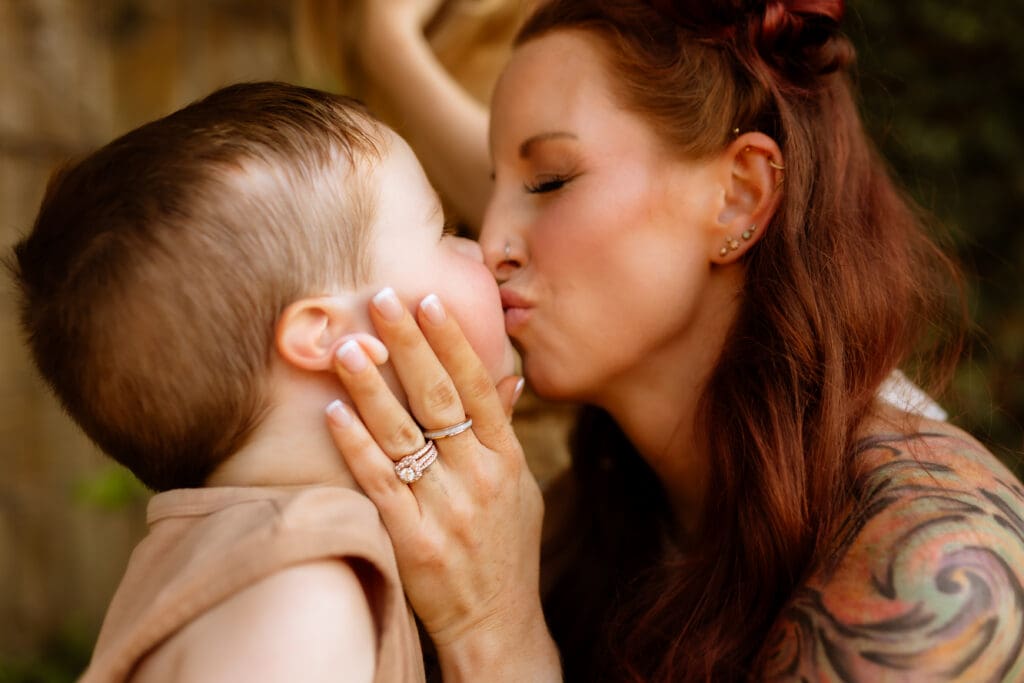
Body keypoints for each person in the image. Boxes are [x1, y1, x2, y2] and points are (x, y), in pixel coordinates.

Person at [326, 1, 1024, 681]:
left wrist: (495, 638)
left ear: (740, 195)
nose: (492, 244)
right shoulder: (609, 514)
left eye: (550, 180)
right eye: (493, 187)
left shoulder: (937, 565)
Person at [8, 81, 521, 682]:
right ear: (328, 337)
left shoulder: (216, 559)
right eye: (442, 230)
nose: (480, 252)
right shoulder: (305, 594)